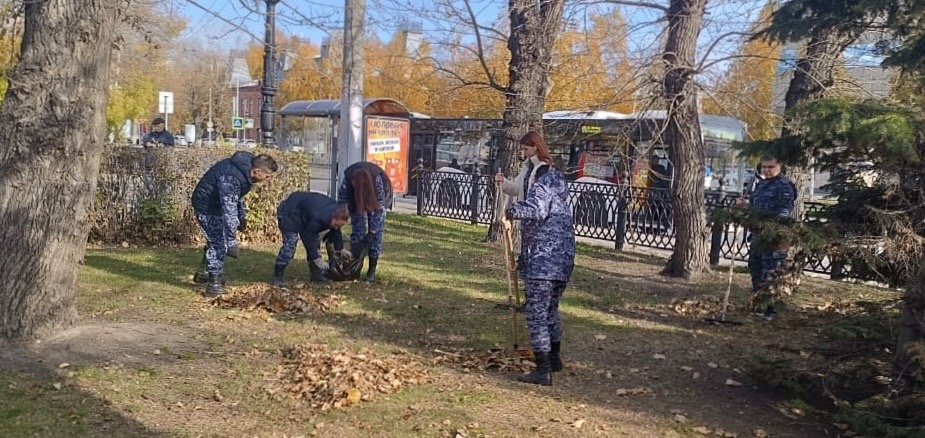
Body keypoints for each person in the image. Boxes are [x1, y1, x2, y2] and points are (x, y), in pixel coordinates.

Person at [505, 163, 576, 386]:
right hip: (562, 266)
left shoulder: (541, 189)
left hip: (543, 265)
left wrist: (512, 211)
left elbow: (536, 211)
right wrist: (522, 262)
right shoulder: (561, 199)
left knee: (536, 315)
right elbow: (542, 231)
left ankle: (543, 370)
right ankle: (554, 360)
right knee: (550, 311)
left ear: (537, 177)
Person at [191, 152, 278, 297]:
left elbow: (236, 197)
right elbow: (228, 209)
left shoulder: (244, 171)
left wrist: (242, 216)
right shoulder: (231, 178)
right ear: (257, 171)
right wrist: (231, 241)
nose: (267, 180)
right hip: (206, 206)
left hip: (216, 204)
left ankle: (203, 273)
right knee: (219, 243)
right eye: (267, 177)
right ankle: (214, 285)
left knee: (217, 240)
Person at [743, 156, 796, 320]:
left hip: (774, 237)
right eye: (764, 167)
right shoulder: (760, 184)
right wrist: (743, 207)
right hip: (758, 235)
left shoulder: (784, 186)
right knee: (755, 267)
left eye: (770, 167)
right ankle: (758, 303)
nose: (766, 170)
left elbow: (785, 210)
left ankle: (769, 308)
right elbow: (754, 206)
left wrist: (772, 227)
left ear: (779, 166)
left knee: (771, 272)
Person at [273, 192, 351, 286]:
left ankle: (316, 275)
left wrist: (340, 249)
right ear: (332, 217)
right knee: (290, 246)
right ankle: (278, 276)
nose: (336, 227)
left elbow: (335, 230)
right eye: (336, 224)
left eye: (339, 226)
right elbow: (309, 236)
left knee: (315, 241)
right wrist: (316, 258)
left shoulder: (337, 211)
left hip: (304, 213)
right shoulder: (318, 217)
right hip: (289, 212)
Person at [338, 161, 393, 283]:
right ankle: (356, 266)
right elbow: (342, 201)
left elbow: (379, 209)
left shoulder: (377, 180)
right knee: (358, 229)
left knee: (376, 236)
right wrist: (340, 219)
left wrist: (372, 231)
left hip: (379, 199)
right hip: (355, 201)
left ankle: (371, 270)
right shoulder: (348, 177)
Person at [494, 131, 556, 203]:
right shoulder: (528, 166)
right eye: (522, 149)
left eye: (526, 149)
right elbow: (518, 189)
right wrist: (503, 182)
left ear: (535, 147)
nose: (524, 152)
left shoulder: (546, 167)